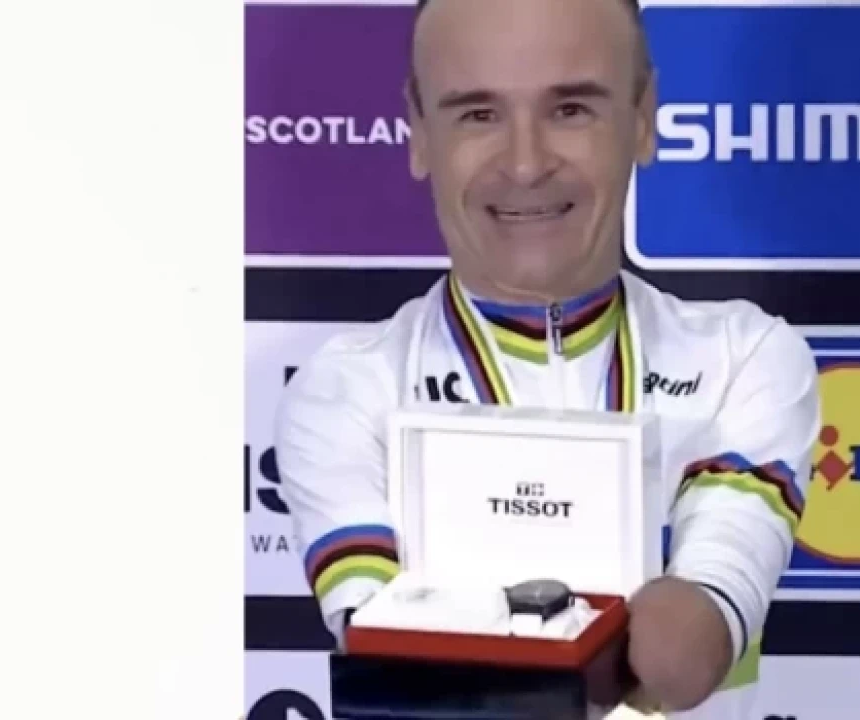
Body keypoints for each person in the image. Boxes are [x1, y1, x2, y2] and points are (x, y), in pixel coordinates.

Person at [273, 0, 822, 717]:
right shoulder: (347, 390)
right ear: (420, 132)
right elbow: (404, 677)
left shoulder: (745, 359)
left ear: (643, 117)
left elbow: (680, 663)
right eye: (478, 114)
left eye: (570, 110)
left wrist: (684, 620)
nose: (526, 164)